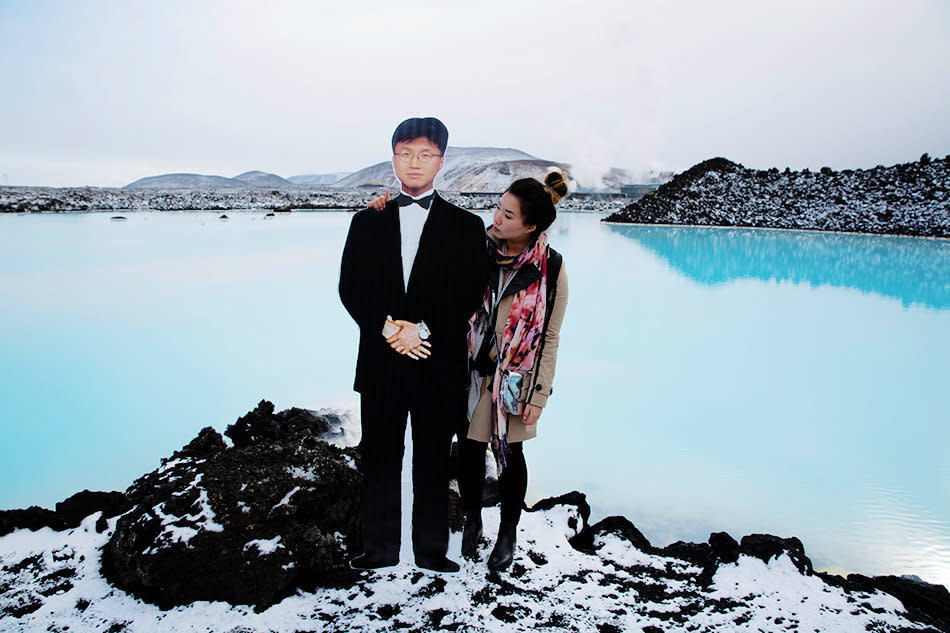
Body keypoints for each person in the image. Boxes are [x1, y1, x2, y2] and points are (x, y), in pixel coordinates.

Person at [338, 117, 487, 573]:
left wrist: (420, 329)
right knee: (380, 458)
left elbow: (470, 292)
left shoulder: (466, 225)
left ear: (442, 160)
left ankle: (430, 551)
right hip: (380, 361)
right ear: (393, 158)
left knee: (431, 462)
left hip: (437, 362)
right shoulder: (367, 220)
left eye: (425, 154)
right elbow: (350, 287)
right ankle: (378, 548)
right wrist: (386, 328)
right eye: (405, 153)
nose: (414, 163)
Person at [459, 172, 569, 571]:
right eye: (497, 209)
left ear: (531, 225)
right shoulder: (477, 249)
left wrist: (538, 395)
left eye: (507, 215)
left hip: (515, 380)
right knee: (468, 450)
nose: (496, 219)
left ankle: (508, 530)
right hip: (471, 371)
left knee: (510, 455)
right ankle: (472, 518)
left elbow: (550, 337)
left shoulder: (551, 269)